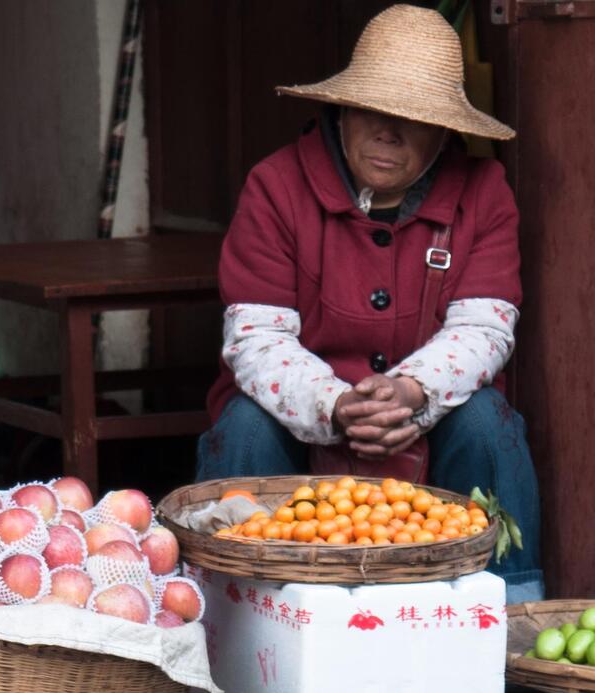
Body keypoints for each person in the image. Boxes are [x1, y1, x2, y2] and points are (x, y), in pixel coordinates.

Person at [193, 4, 542, 602]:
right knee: (245, 429)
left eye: (412, 119)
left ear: (443, 131)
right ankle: (231, 617)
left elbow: (484, 328)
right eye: (372, 111)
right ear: (342, 109)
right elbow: (257, 338)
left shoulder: (482, 192)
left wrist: (410, 394)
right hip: (301, 419)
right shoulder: (277, 187)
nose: (387, 132)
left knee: (488, 424)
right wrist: (333, 405)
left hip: (429, 417)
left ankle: (508, 624)